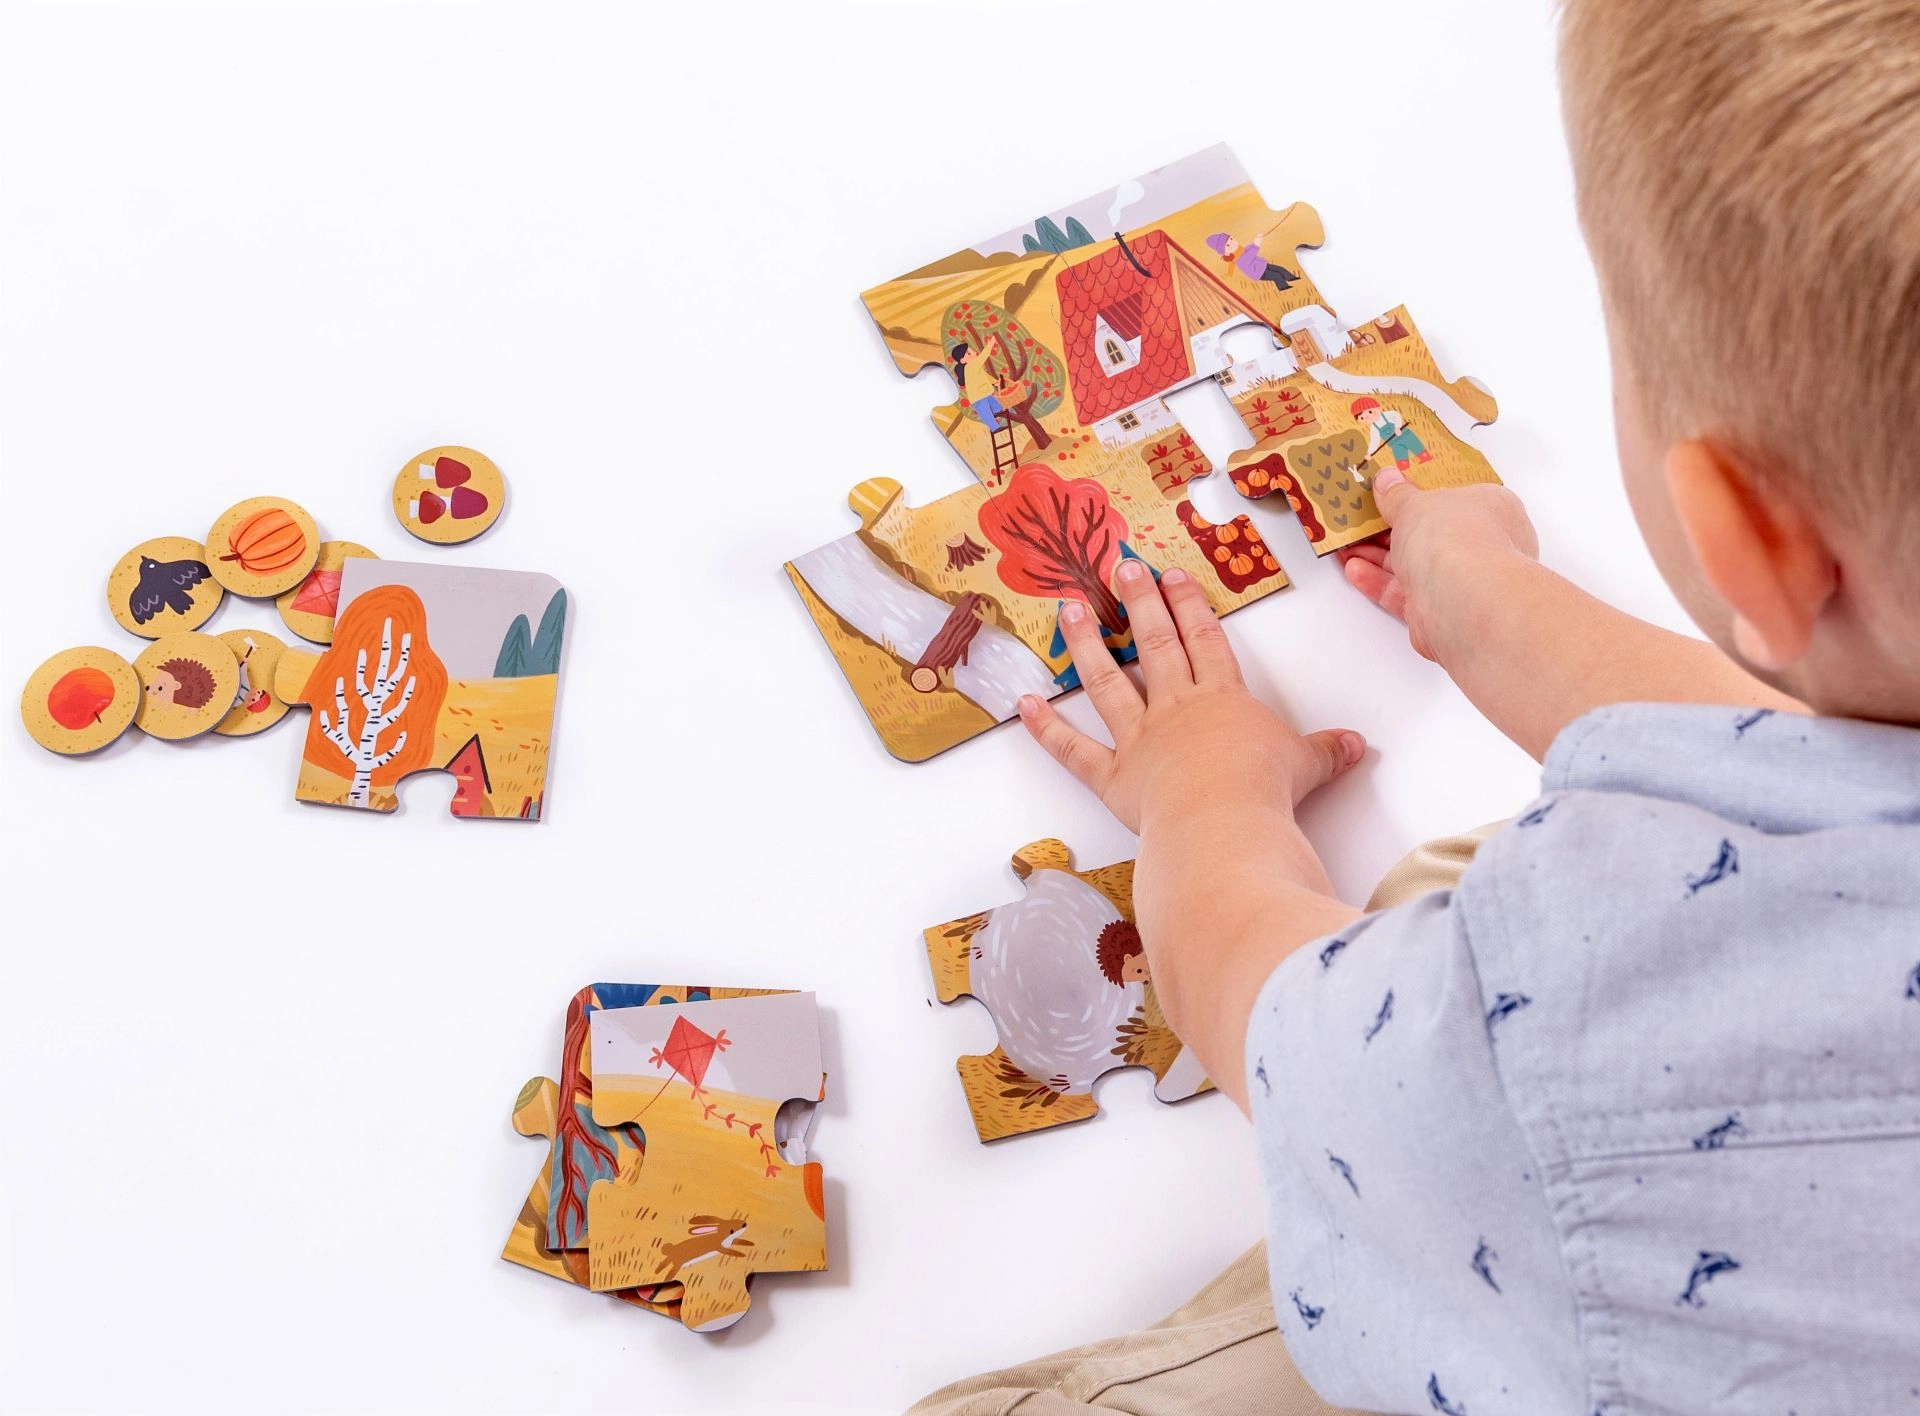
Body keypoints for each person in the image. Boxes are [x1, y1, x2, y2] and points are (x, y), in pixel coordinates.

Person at [912, 0, 1920, 1410]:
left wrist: (1203, 783)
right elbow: (1830, 789)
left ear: (1743, 535)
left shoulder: (1583, 1024)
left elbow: (1252, 1000)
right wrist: (1489, 598)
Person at [1205, 229, 1299, 292]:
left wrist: (1256, 241)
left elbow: (1249, 248)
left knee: (1280, 269)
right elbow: (1249, 256)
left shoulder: (1241, 250)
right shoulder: (1237, 260)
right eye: (1228, 245)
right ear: (1226, 252)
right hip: (1259, 273)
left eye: (1231, 239)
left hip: (1263, 266)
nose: (1232, 243)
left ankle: (1291, 277)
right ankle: (1283, 287)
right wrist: (1256, 245)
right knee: (1276, 275)